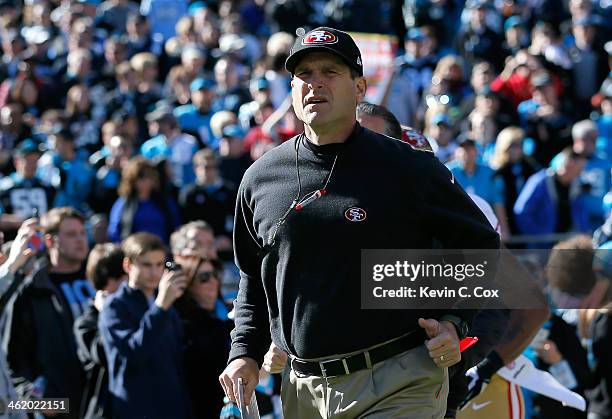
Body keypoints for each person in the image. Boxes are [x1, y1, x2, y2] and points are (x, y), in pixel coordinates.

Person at [219, 27, 500, 418]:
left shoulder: (408, 167)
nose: (315, 84)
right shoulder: (260, 178)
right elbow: (252, 274)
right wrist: (244, 352)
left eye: (330, 72)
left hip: (399, 377)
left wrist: (456, 321)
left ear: (360, 87)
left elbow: (482, 246)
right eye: (304, 74)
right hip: (303, 388)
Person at [6, 207, 92, 419]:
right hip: (62, 407)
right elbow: (14, 360)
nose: (80, 240)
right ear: (50, 241)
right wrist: (36, 402)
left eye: (82, 233)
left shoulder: (101, 279)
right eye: (71, 234)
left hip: (103, 402)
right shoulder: (31, 291)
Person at [98, 232, 192, 419]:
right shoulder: (114, 306)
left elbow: (176, 359)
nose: (154, 272)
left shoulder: (166, 306)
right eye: (146, 264)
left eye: (159, 265)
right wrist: (160, 306)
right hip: (135, 408)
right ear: (128, 265)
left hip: (172, 406)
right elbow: (134, 351)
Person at [173, 256, 232, 417]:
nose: (213, 281)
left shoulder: (230, 314)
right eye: (204, 277)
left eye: (215, 274)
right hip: (203, 407)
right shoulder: (183, 324)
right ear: (189, 284)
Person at [73, 243, 126, 419]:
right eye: (120, 278)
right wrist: (106, 316)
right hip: (105, 411)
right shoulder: (86, 324)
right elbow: (107, 354)